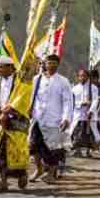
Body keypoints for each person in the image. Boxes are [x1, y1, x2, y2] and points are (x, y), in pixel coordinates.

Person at [0, 56, 30, 192]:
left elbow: (23, 101)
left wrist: (10, 112)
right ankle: (3, 181)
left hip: (16, 121)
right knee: (0, 151)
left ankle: (22, 173)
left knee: (16, 150)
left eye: (1, 67)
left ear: (10, 68)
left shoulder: (20, 83)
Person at [29, 54, 73, 183]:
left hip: (54, 119)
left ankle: (52, 173)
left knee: (53, 148)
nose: (51, 65)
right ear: (44, 64)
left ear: (58, 65)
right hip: (37, 118)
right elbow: (32, 97)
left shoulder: (63, 81)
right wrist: (29, 109)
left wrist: (66, 118)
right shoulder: (36, 79)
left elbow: (67, 101)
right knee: (34, 146)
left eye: (54, 63)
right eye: (49, 63)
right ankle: (39, 169)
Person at [70, 69, 100, 157]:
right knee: (76, 133)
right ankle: (77, 150)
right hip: (78, 115)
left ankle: (88, 151)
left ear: (87, 77)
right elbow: (72, 102)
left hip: (89, 116)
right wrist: (81, 103)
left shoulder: (93, 88)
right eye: (80, 76)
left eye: (84, 76)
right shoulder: (74, 89)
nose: (82, 77)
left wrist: (91, 110)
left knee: (89, 134)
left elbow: (95, 101)